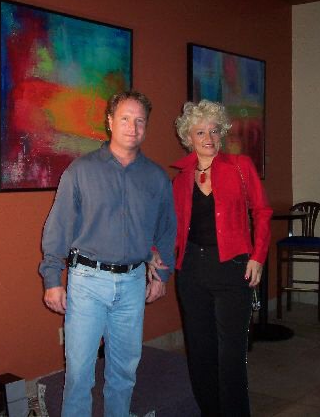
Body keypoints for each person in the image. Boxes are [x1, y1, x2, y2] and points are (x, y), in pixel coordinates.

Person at [39, 90, 176, 417]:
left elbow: (166, 229)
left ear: (146, 126)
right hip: (87, 282)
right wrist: (52, 279)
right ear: (110, 122)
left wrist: (162, 274)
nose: (133, 127)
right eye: (125, 118)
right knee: (79, 374)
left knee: (124, 372)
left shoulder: (156, 177)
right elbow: (58, 227)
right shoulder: (81, 171)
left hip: (132, 284)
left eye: (140, 120)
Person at [169, 99, 272, 416]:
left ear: (222, 132)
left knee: (231, 356)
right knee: (200, 353)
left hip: (232, 269)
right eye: (200, 132)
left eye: (214, 130)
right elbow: (170, 226)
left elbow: (262, 211)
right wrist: (157, 256)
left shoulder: (240, 166)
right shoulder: (181, 178)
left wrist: (258, 256)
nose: (208, 138)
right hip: (191, 272)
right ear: (188, 137)